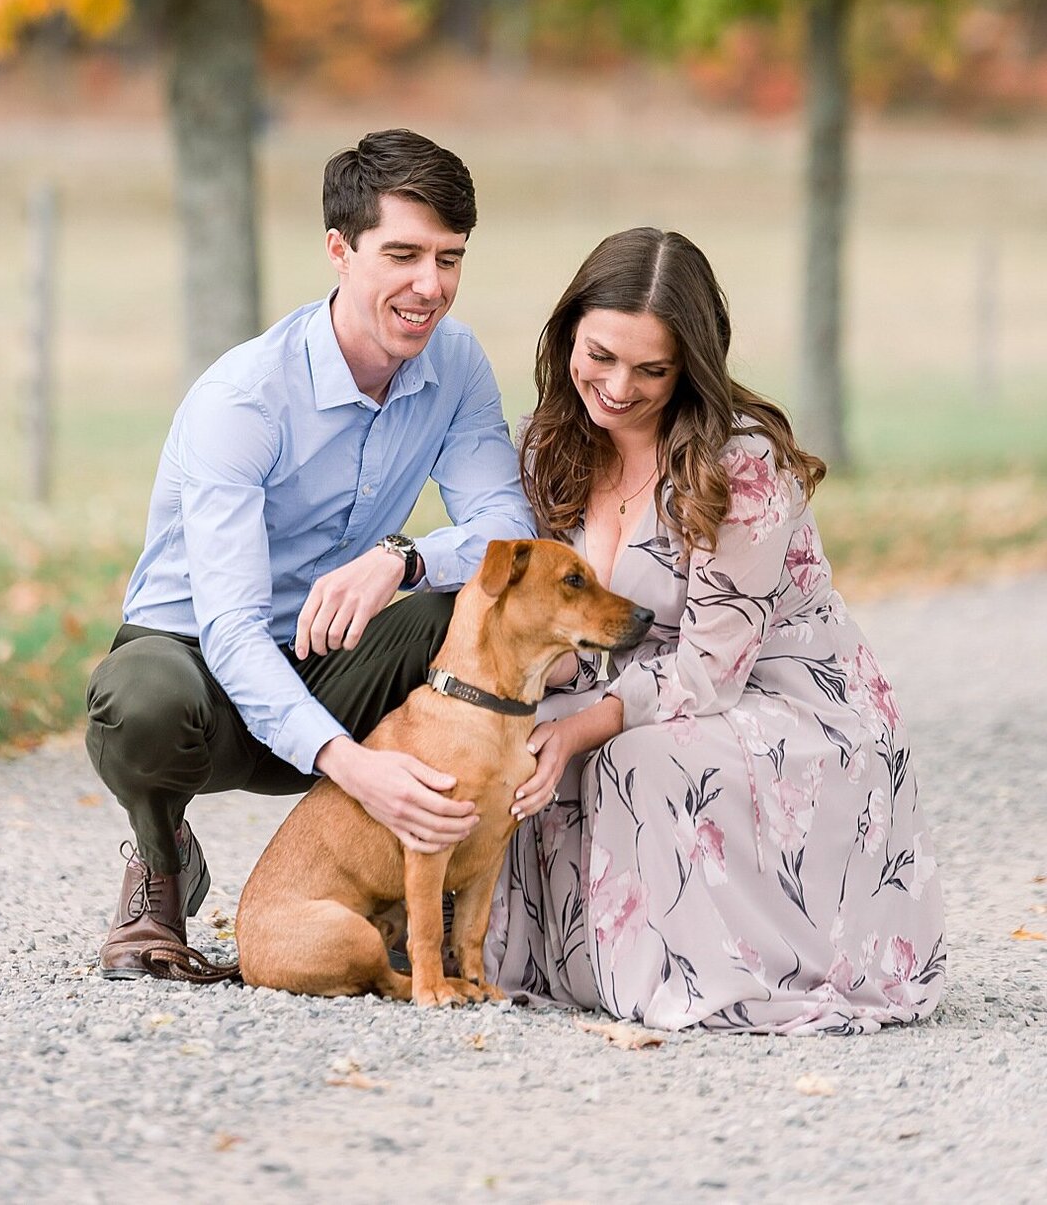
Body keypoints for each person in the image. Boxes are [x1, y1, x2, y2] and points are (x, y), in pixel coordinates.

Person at [87, 128, 535, 977]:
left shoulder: (456, 363)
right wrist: (357, 768)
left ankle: (425, 869)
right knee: (141, 698)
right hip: (198, 666)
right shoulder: (244, 398)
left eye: (449, 258)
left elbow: (508, 535)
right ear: (339, 249)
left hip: (327, 651)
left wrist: (403, 558)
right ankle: (159, 856)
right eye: (402, 255)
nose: (430, 286)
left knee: (469, 611)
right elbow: (230, 627)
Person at [485, 228, 945, 1033]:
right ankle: (510, 951)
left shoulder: (738, 465)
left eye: (651, 370)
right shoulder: (550, 443)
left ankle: (689, 976)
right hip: (630, 687)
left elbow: (710, 668)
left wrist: (581, 725)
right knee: (504, 737)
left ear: (689, 366)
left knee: (633, 753)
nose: (617, 386)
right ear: (567, 336)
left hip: (778, 698)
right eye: (600, 355)